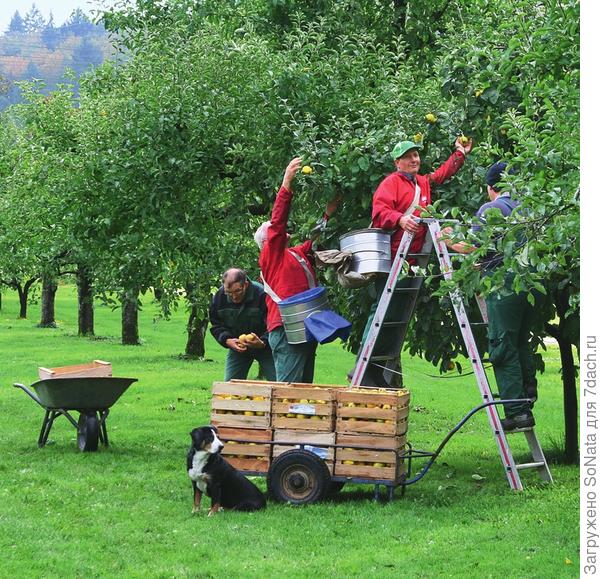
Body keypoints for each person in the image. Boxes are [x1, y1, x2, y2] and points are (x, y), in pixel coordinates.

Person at [355, 136, 473, 387]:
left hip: (413, 261)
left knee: (396, 314)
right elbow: (379, 212)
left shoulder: (421, 183)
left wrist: (460, 154)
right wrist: (399, 219)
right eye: (408, 156)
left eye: (416, 155)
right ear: (397, 162)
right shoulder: (391, 183)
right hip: (394, 258)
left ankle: (376, 368)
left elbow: (442, 174)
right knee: (382, 311)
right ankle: (363, 365)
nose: (414, 159)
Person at [442, 161, 539, 431]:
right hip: (530, 283)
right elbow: (499, 248)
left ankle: (517, 411)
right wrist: (486, 260)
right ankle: (527, 393)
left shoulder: (492, 208)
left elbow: (472, 247)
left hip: (505, 286)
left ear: (490, 187)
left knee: (502, 347)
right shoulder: (529, 208)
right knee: (520, 341)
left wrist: (446, 238)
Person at [255, 157, 340, 383]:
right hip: (286, 329)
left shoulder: (295, 253)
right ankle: (281, 419)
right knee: (288, 389)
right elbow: (278, 222)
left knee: (304, 388)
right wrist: (286, 184)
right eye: (274, 234)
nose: (284, 233)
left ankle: (300, 419)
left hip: (306, 326)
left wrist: (328, 214)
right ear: (268, 241)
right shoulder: (270, 257)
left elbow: (313, 240)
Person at [209, 268, 276, 382]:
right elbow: (216, 324)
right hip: (238, 347)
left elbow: (274, 323)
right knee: (230, 387)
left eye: (237, 291)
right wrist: (227, 340)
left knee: (279, 384)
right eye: (229, 292)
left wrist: (263, 342)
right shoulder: (220, 296)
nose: (234, 296)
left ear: (245, 284)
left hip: (266, 348)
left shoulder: (262, 294)